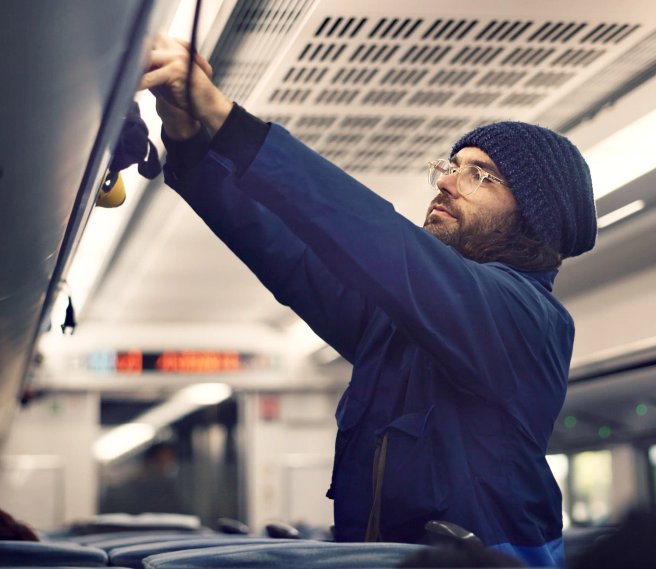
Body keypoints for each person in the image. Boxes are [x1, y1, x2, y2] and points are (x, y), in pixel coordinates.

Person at [139, 35, 597, 567]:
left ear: (536, 215)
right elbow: (288, 254)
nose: (446, 181)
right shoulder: (400, 323)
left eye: (479, 175)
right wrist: (190, 137)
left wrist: (225, 117)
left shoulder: (523, 320)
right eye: (450, 166)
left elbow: (376, 239)